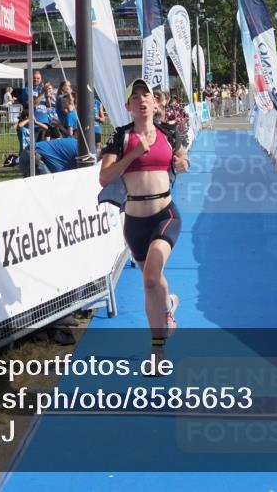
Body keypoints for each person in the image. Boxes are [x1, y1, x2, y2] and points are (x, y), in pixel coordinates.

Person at [99, 79, 190, 366]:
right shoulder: (120, 136)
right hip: (134, 222)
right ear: (128, 106)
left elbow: (182, 157)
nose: (141, 100)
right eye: (134, 97)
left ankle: (157, 349)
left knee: (150, 277)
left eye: (146, 96)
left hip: (165, 215)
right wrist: (135, 153)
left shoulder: (168, 132)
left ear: (155, 102)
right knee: (154, 282)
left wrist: (182, 162)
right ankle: (168, 305)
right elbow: (105, 177)